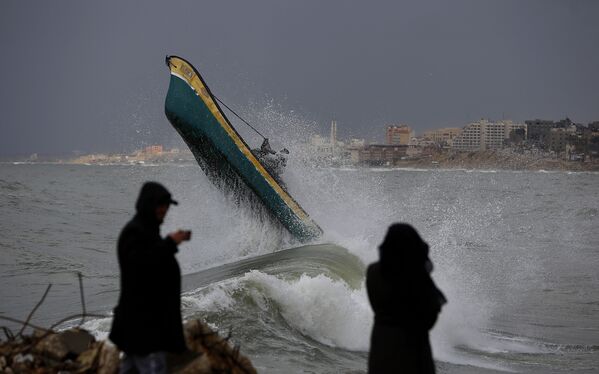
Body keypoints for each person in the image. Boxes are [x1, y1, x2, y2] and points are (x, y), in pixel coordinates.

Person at [109, 182, 191, 374]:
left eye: (166, 205)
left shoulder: (147, 231)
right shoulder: (134, 232)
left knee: (131, 369)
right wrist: (170, 243)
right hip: (143, 325)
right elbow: (142, 266)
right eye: (160, 205)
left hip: (147, 324)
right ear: (148, 205)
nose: (164, 210)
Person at [366, 223, 447, 374]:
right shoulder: (415, 277)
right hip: (412, 352)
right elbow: (430, 317)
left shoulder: (373, 271)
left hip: (380, 349)